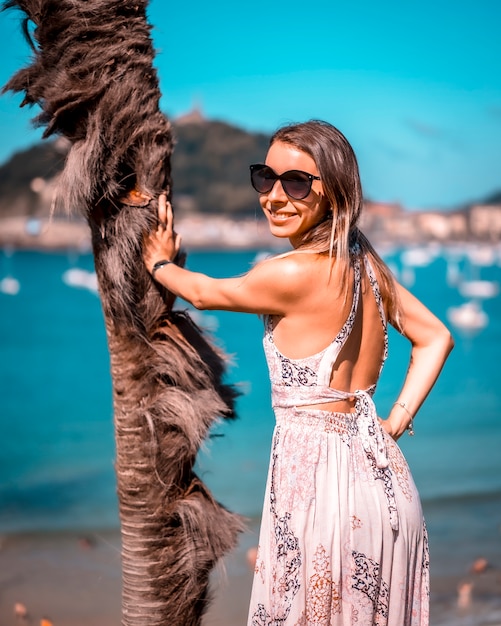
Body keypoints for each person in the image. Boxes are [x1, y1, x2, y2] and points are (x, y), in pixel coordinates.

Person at [143, 120, 453, 625]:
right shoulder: (370, 268)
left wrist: (158, 263)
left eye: (296, 182)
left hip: (320, 492)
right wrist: (394, 422)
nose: (275, 196)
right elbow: (436, 337)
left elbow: (202, 293)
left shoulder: (290, 274)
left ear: (332, 192)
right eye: (266, 178)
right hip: (386, 485)